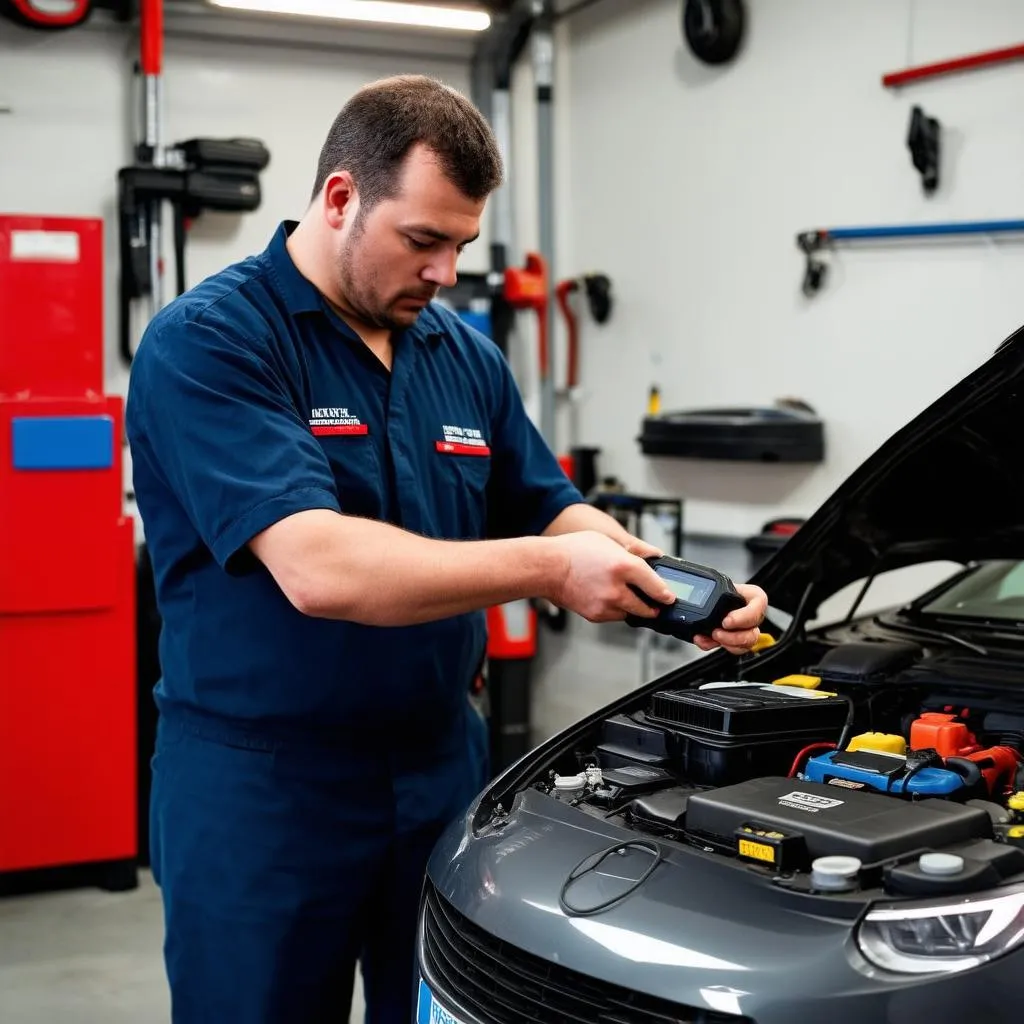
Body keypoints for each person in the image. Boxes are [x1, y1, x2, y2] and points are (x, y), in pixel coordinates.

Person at [125, 74, 768, 1024]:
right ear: (340, 198)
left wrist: (661, 583)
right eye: (422, 240)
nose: (443, 273)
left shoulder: (459, 354)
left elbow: (551, 506)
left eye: (460, 246)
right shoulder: (212, 343)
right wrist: (552, 572)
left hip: (437, 769)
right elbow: (320, 567)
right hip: (261, 788)